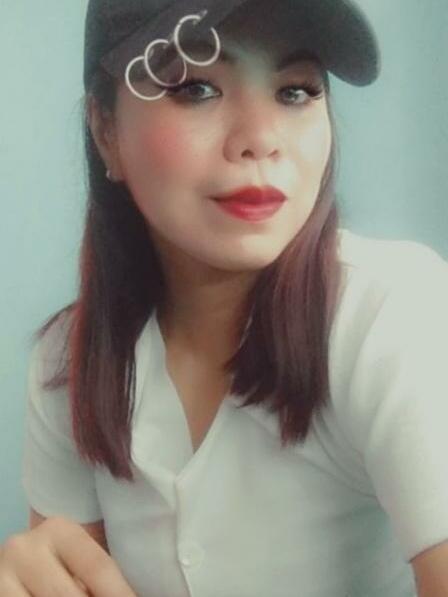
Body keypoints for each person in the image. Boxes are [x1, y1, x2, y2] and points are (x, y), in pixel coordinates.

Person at [1, 0, 448, 595]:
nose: (261, 140)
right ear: (106, 130)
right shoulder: (69, 362)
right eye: (196, 89)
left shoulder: (393, 315)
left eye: (295, 92)